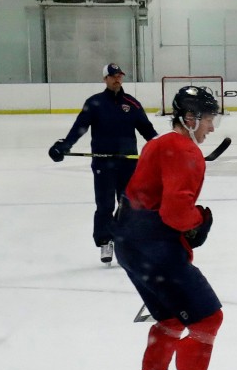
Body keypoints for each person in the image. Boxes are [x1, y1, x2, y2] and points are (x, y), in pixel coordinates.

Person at [113, 85, 225, 370]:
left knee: (172, 317)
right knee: (208, 318)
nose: (211, 127)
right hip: (153, 246)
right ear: (190, 119)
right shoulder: (186, 152)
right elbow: (177, 213)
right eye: (208, 119)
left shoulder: (158, 143)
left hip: (128, 242)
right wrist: (198, 224)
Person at [48, 64, 158, 265]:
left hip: (128, 163)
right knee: (105, 204)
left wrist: (163, 149)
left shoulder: (132, 104)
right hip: (103, 163)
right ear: (105, 79)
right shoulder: (95, 103)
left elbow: (147, 130)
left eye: (119, 76)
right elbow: (79, 128)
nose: (117, 79)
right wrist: (65, 145)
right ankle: (105, 241)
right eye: (113, 76)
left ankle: (130, 243)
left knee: (129, 205)